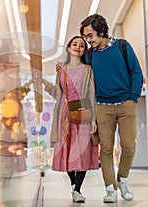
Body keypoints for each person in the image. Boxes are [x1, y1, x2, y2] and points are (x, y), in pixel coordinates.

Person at [79, 13, 143, 203]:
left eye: (90, 35)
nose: (87, 40)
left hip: (126, 105)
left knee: (129, 146)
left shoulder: (123, 46)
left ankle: (122, 179)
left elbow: (136, 72)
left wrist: (133, 98)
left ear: (101, 31)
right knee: (105, 149)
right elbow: (83, 79)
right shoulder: (89, 55)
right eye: (85, 37)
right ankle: (110, 190)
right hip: (102, 107)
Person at [43, 36, 99, 203]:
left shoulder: (88, 69)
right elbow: (58, 94)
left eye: (81, 45)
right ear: (68, 48)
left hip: (83, 114)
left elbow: (92, 94)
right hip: (64, 114)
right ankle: (74, 186)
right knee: (66, 150)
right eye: (75, 44)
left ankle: (77, 189)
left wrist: (94, 119)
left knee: (81, 151)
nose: (78, 47)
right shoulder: (61, 69)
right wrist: (45, 84)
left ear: (84, 50)